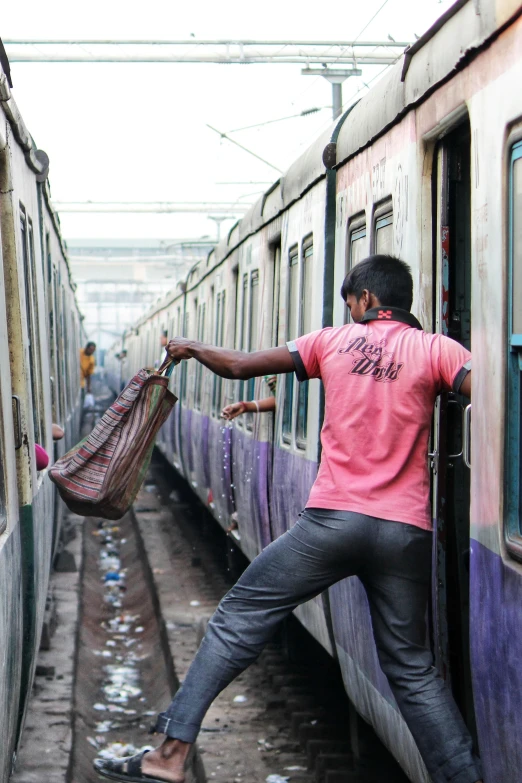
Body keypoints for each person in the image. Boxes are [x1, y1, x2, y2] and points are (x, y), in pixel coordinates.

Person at [94, 255, 481, 783]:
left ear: (365, 300)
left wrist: (190, 347)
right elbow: (489, 394)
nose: (349, 313)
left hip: (330, 525)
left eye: (351, 304)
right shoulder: (438, 350)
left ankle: (168, 755)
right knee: (413, 671)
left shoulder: (329, 342)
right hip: (404, 532)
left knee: (237, 620)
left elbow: (238, 365)